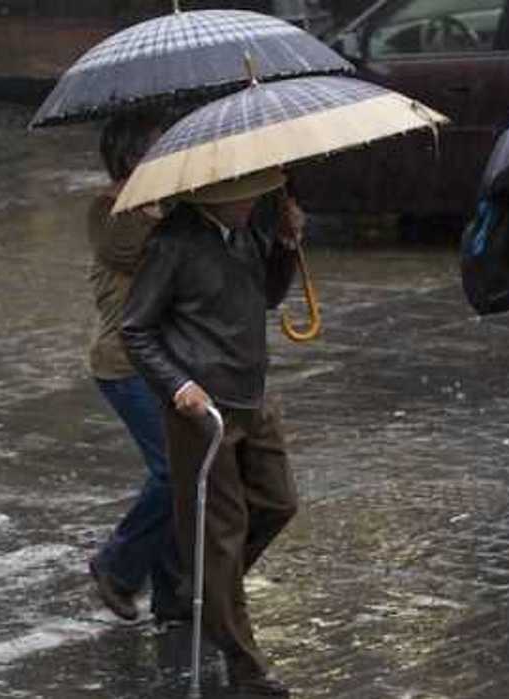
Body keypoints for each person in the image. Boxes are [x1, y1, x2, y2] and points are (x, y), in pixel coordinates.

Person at [121, 168, 302, 698]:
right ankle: (245, 662)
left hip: (252, 392)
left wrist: (287, 245)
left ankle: (203, 587)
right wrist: (179, 385)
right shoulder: (174, 243)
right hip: (203, 409)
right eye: (240, 197)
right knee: (221, 533)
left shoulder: (244, 231)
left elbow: (266, 295)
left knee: (278, 502)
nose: (250, 204)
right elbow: (135, 328)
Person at [85, 111, 185, 623]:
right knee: (174, 471)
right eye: (158, 144)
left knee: (187, 473)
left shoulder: (163, 208)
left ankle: (172, 592)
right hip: (124, 365)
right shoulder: (110, 210)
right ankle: (117, 565)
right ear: (132, 157)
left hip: (165, 363)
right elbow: (136, 255)